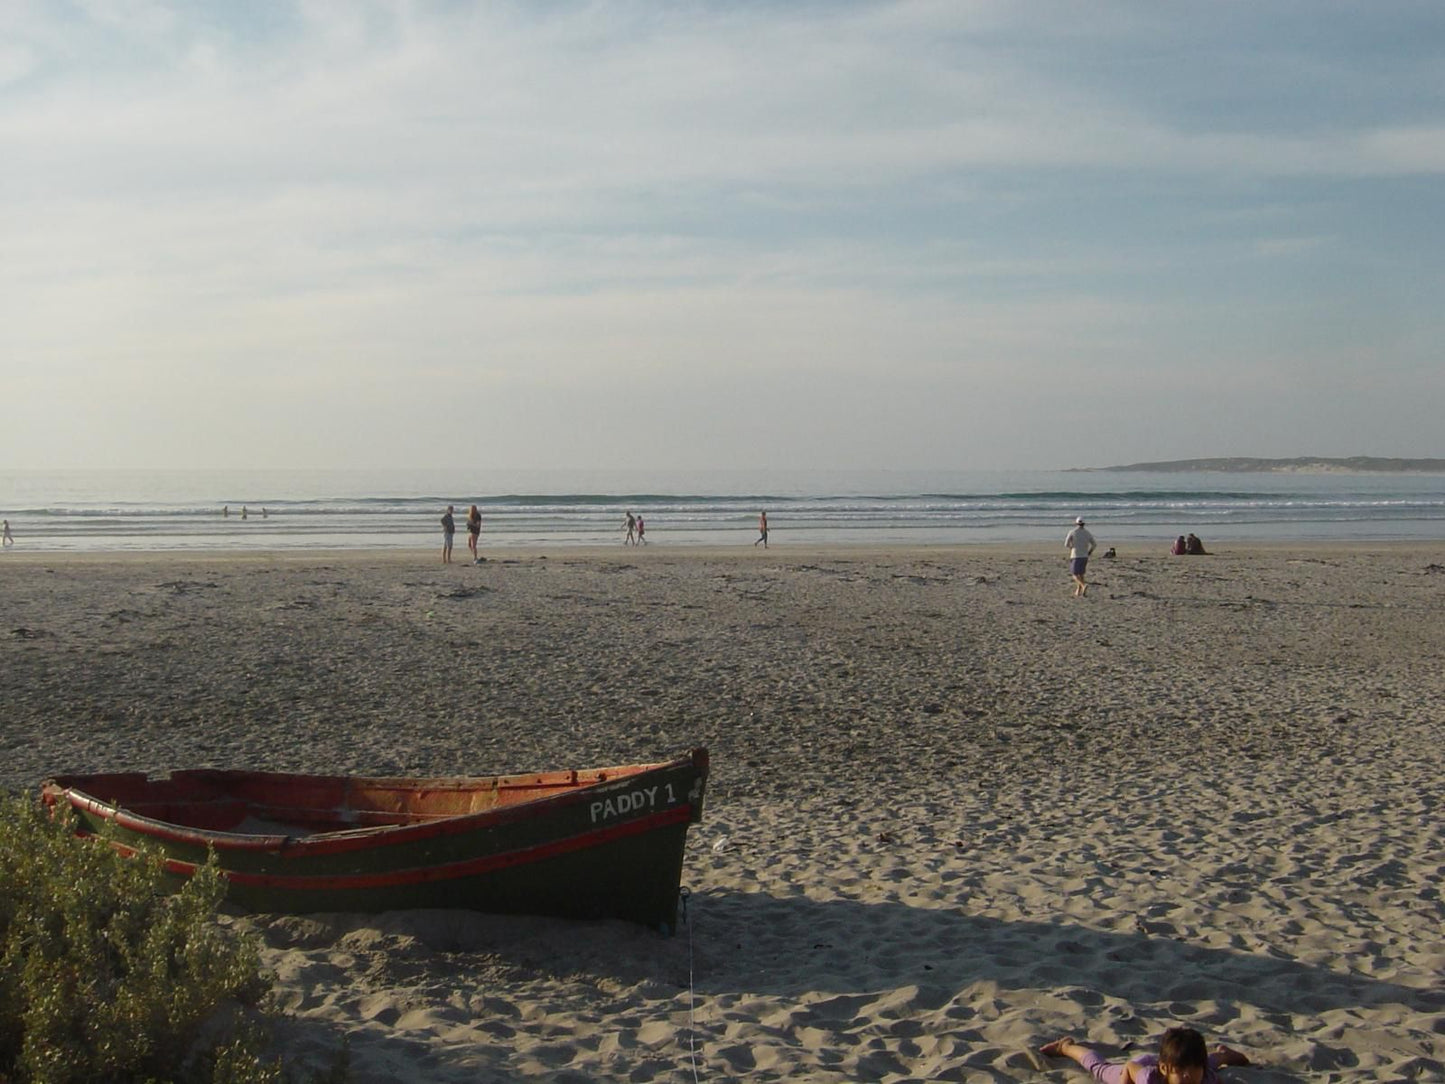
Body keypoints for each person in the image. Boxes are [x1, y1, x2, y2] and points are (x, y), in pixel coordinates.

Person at [1040, 1027, 1250, 1084]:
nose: (1189, 1076)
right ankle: (1065, 1047)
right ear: (1166, 1069)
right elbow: (1131, 1066)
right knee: (1101, 1069)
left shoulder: (1202, 1077)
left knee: (1209, 1063)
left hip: (1169, 1060)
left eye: (1194, 1071)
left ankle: (1222, 1055)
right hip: (1135, 1069)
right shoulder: (1148, 1079)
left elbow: (1216, 1079)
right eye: (1182, 1073)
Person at [1065, 516, 1096, 597]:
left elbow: (1066, 544)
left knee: (1074, 574)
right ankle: (1078, 591)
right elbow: (1094, 544)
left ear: (1076, 523)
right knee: (1081, 574)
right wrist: (1090, 551)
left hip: (1075, 555)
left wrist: (1072, 547)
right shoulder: (1087, 533)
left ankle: (1083, 585)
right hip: (1084, 556)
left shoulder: (1072, 532)